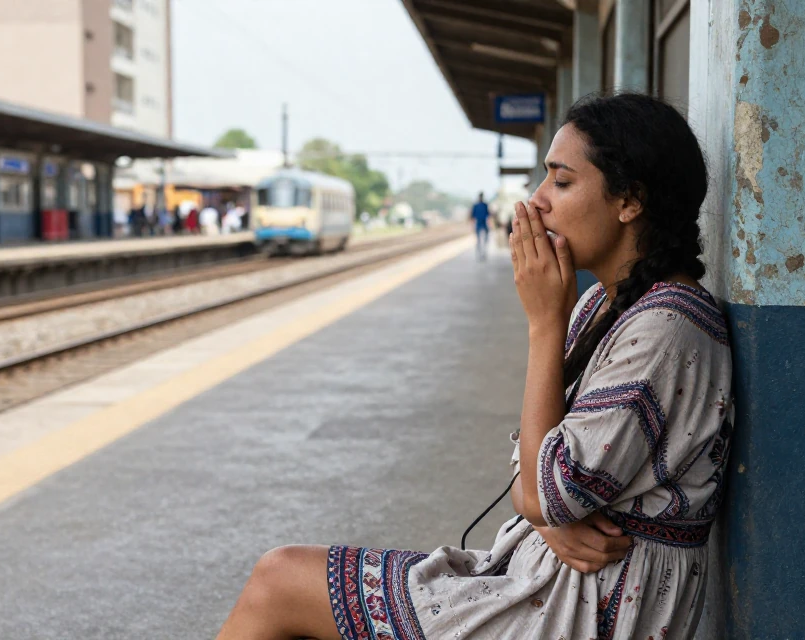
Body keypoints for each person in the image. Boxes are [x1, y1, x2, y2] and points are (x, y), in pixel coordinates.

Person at [214, 93, 733, 640]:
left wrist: (542, 325)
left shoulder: (666, 327)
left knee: (278, 581)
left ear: (629, 200)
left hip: (581, 608)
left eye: (561, 181)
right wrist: (547, 517)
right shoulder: (610, 303)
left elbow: (538, 491)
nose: (537, 202)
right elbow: (533, 485)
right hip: (552, 581)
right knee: (284, 578)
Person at [471, 191, 491, 260]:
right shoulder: (477, 205)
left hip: (483, 223)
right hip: (479, 224)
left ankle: (483, 252)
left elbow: (488, 214)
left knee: (485, 239)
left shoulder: (484, 205)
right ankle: (480, 253)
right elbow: (472, 216)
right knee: (479, 240)